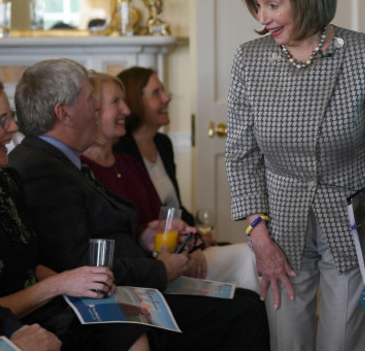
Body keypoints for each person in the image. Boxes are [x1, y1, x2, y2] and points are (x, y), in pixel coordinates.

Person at [225, 0, 365, 351]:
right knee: (287, 338)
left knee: (344, 340)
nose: (262, 18)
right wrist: (258, 237)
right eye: (258, 6)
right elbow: (240, 155)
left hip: (353, 216)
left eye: (273, 5)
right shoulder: (249, 60)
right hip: (280, 223)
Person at [7, 58, 269, 351]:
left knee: (245, 300)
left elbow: (97, 229)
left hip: (129, 280)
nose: (96, 106)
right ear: (63, 112)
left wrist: (144, 234)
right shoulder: (43, 168)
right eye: (89, 97)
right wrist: (159, 269)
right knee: (246, 312)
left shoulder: (60, 159)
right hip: (104, 302)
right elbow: (77, 264)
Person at [0, 68, 151, 351]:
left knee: (129, 325)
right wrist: (60, 285)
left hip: (44, 307)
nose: (14, 128)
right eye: (2, 120)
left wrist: (84, 283)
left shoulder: (6, 182)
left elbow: (30, 261)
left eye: (11, 116)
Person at [83, 70, 259, 291]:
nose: (167, 98)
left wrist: (191, 242)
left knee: (246, 278)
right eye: (156, 93)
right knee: (248, 263)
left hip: (166, 253)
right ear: (94, 111)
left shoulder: (133, 161)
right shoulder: (86, 168)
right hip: (145, 269)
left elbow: (162, 217)